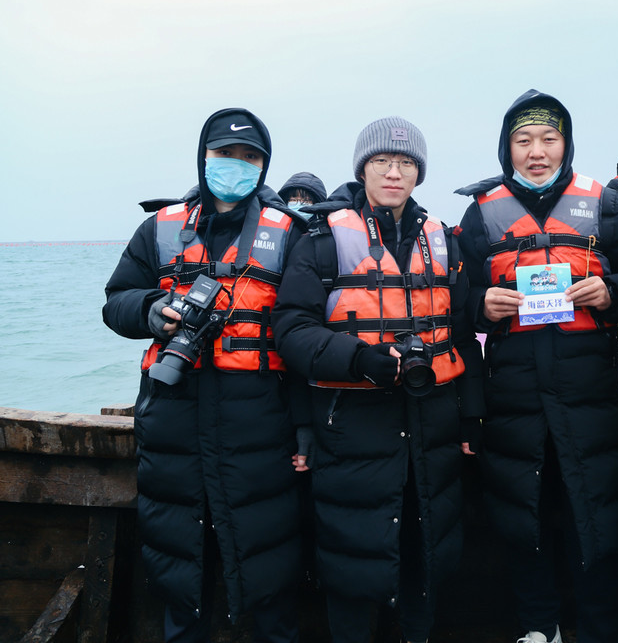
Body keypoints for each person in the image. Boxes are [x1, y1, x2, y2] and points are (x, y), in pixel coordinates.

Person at [271, 117, 484, 643]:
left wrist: (472, 414)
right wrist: (358, 358)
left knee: (425, 553)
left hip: (432, 423)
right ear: (362, 168)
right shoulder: (321, 240)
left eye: (406, 163)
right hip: (352, 427)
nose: (394, 172)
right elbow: (292, 330)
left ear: (419, 173)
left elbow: (461, 335)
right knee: (350, 563)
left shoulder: (444, 239)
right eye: (382, 162)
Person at [102, 108, 303, 643]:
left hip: (259, 420)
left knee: (269, 562)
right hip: (172, 417)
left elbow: (304, 324)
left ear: (264, 165)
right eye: (224, 155)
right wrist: (151, 310)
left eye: (249, 157)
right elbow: (115, 302)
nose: (235, 166)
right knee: (179, 565)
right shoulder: (160, 228)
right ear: (203, 157)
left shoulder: (291, 234)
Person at [455, 89, 618, 643]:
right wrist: (479, 304)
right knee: (521, 519)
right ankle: (538, 628)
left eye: (549, 138)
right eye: (524, 140)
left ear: (567, 143)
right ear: (507, 147)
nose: (537, 151)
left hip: (591, 396)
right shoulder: (480, 214)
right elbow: (456, 301)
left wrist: (611, 291)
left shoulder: (606, 203)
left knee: (595, 519)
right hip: (514, 397)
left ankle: (597, 629)